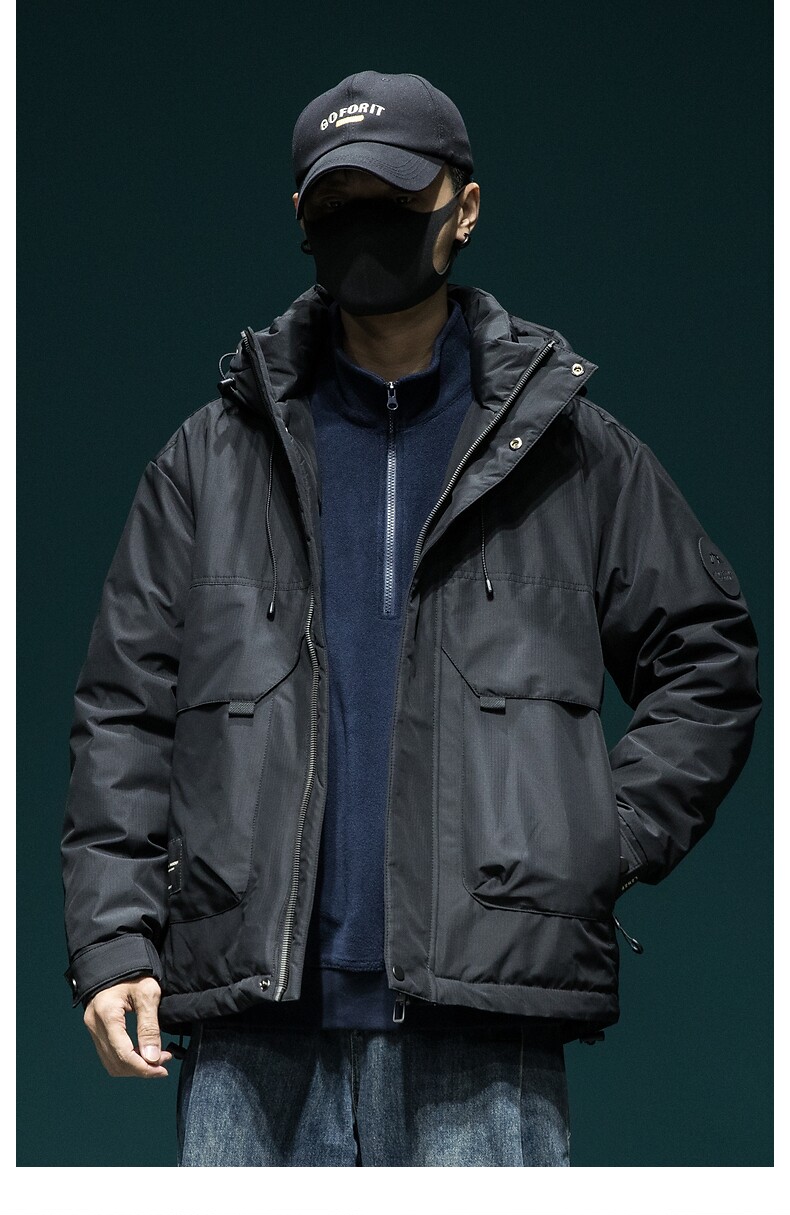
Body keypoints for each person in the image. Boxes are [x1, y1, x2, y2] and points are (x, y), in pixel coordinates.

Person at [60, 69, 762, 1167]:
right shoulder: (208, 462)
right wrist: (113, 941)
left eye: (391, 197)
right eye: (336, 203)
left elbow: (708, 659)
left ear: (463, 207)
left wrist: (595, 835)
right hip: (254, 1036)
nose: (363, 225)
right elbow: (123, 715)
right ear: (301, 218)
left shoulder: (571, 455)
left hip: (480, 1031)